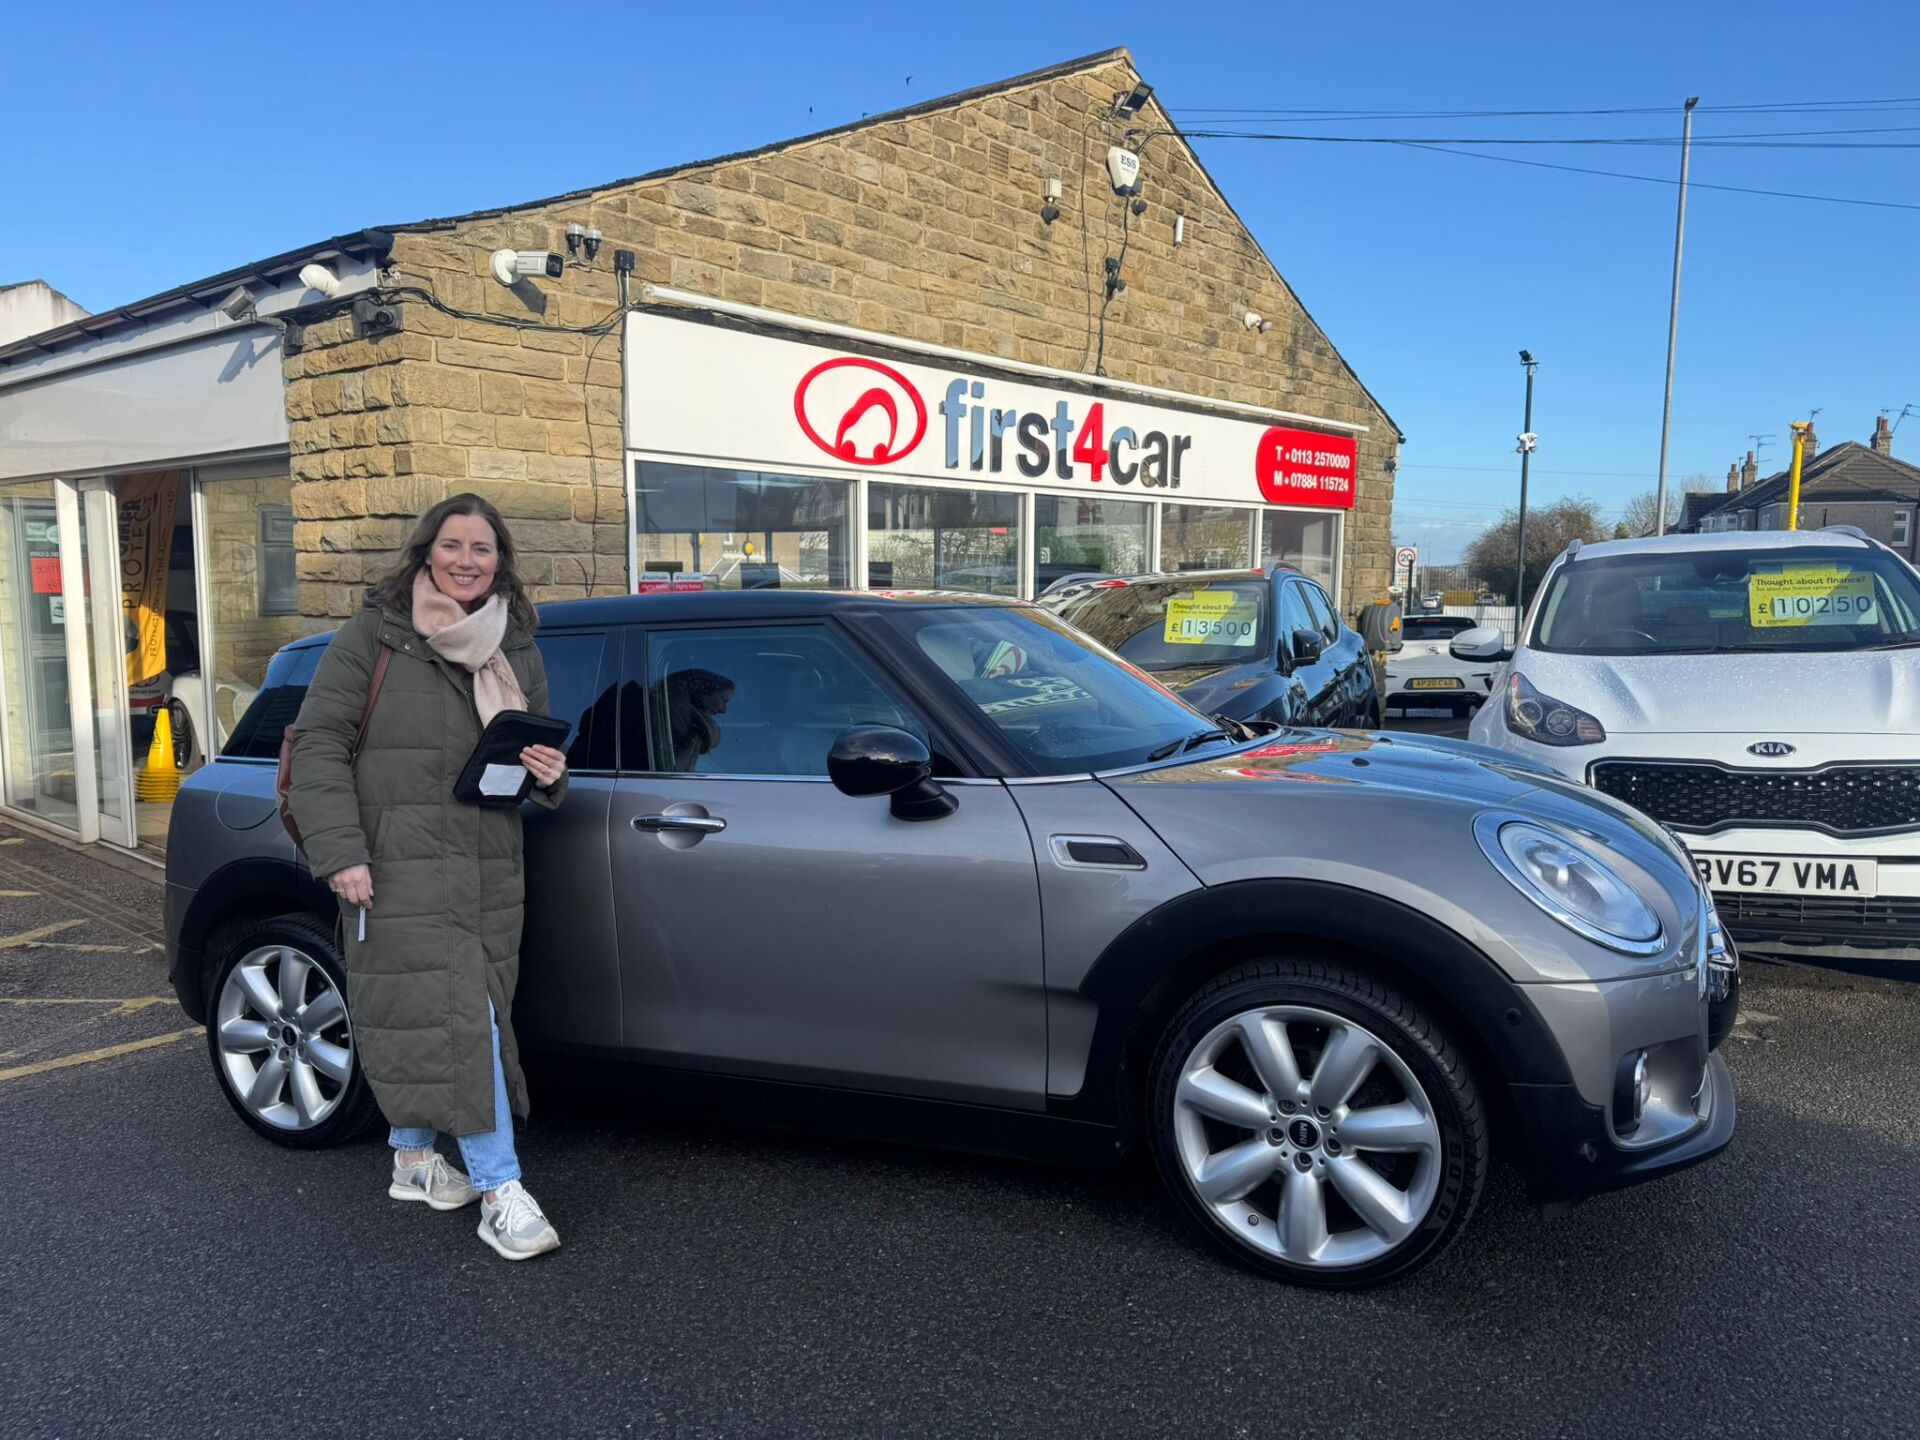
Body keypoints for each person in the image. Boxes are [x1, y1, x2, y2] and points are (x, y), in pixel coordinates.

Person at [287, 493, 570, 1261]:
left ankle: (412, 1162)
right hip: (396, 866)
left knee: (447, 1021)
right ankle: (501, 1190)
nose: (467, 560)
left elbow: (530, 760)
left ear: (499, 559)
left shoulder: (517, 643)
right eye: (453, 545)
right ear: (425, 552)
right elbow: (317, 746)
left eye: (483, 548)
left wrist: (550, 773)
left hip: (488, 870)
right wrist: (341, 852)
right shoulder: (376, 635)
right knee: (463, 1026)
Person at [663, 668, 735, 772]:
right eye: (724, 701)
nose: (723, 710)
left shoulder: (686, 716)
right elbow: (712, 735)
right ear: (705, 692)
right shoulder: (680, 713)